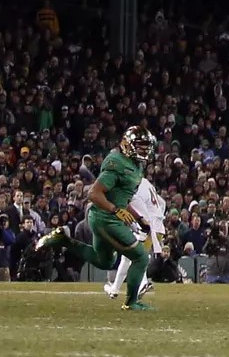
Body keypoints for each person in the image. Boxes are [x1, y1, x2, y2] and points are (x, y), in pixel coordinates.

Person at [33, 125, 158, 312]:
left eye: (146, 147)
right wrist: (115, 210)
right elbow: (93, 193)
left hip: (107, 217)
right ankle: (131, 302)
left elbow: (120, 198)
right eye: (140, 146)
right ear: (127, 145)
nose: (144, 151)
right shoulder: (117, 163)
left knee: (105, 261)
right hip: (105, 218)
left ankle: (63, 240)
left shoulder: (135, 165)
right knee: (140, 257)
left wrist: (139, 218)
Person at [102, 172, 166, 300]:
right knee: (127, 257)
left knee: (136, 256)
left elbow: (136, 209)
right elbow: (162, 202)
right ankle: (114, 289)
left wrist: (145, 224)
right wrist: (158, 218)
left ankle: (143, 283)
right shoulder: (146, 183)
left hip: (147, 227)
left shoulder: (133, 188)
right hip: (158, 227)